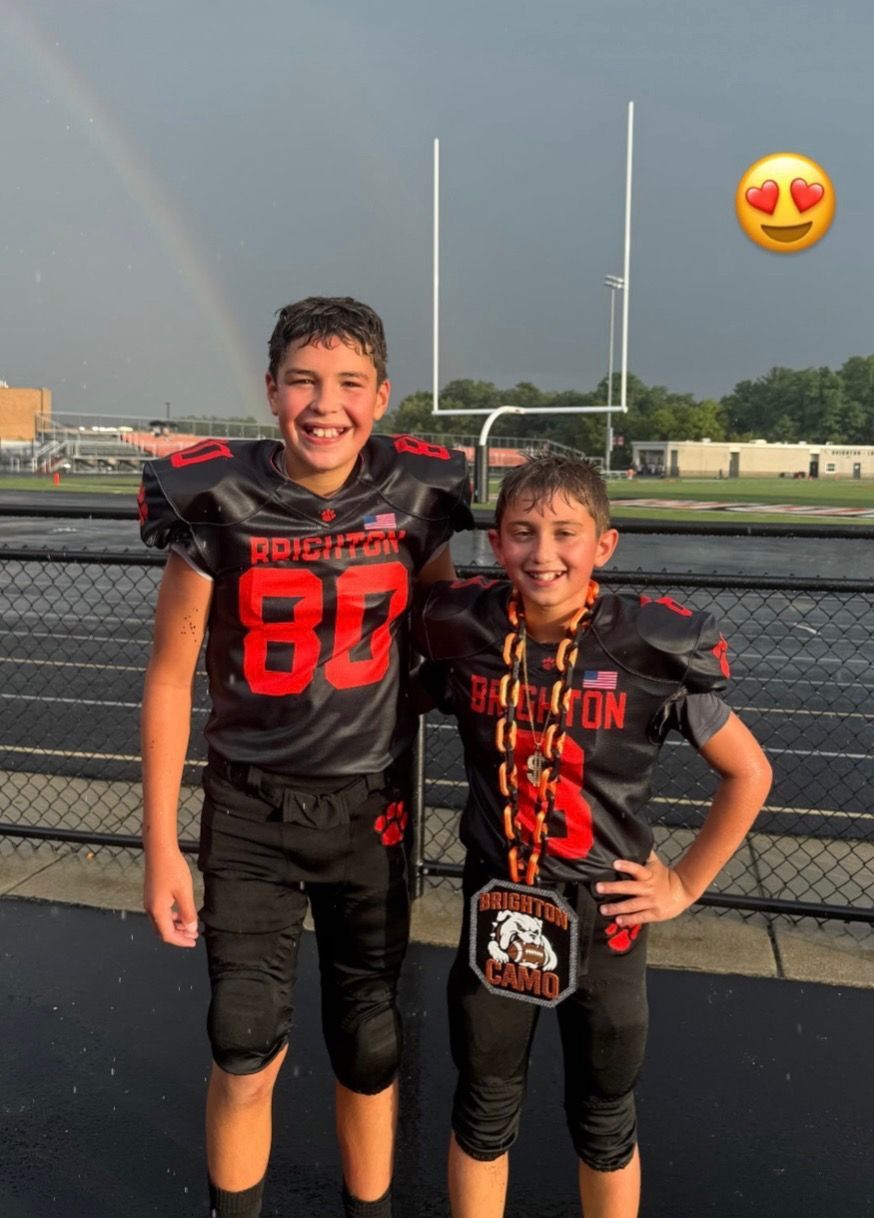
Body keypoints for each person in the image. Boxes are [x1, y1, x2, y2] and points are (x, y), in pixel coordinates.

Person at [139, 296, 473, 1218]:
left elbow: (444, 640)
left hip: (372, 809)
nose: (326, 405)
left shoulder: (415, 495)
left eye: (350, 384)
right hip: (249, 811)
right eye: (304, 382)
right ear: (272, 390)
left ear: (383, 395)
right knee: (244, 1042)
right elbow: (171, 678)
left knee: (369, 1045)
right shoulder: (218, 501)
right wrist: (160, 843)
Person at [413, 455, 772, 1218]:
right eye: (522, 533)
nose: (544, 553)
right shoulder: (463, 626)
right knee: (483, 1107)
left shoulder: (646, 643)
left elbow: (750, 773)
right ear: (498, 544)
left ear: (603, 545)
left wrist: (683, 882)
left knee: (605, 1119)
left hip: (607, 908)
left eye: (565, 533)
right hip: (501, 897)